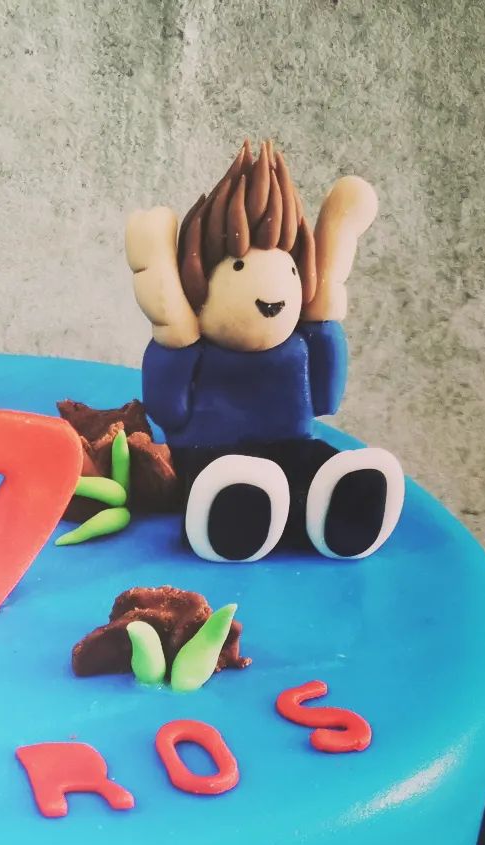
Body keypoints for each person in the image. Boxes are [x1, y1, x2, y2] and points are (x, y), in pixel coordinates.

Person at [126, 140, 403, 562]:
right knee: (221, 480)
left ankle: (345, 511)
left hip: (292, 443)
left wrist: (326, 311)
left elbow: (326, 397)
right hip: (208, 453)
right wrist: (173, 327)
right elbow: (167, 408)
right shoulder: (195, 351)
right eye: (237, 267)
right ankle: (236, 518)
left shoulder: (299, 346)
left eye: (291, 270)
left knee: (318, 464)